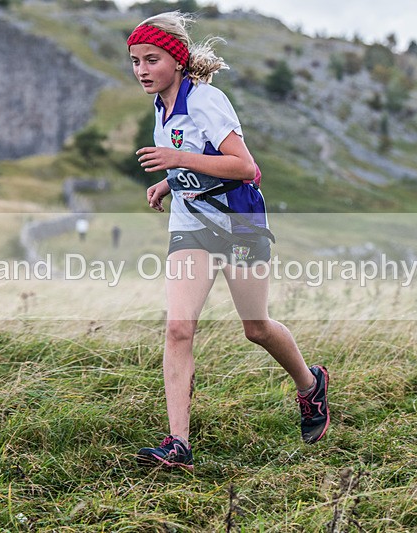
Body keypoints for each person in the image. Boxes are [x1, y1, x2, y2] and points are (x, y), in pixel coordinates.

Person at [128, 12, 329, 471]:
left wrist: (177, 159)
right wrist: (172, 182)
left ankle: (310, 384)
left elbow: (243, 166)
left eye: (151, 60)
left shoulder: (206, 101)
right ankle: (178, 444)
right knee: (179, 327)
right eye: (135, 61)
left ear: (177, 60)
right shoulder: (161, 104)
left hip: (240, 224)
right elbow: (194, 165)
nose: (141, 70)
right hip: (193, 225)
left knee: (255, 328)